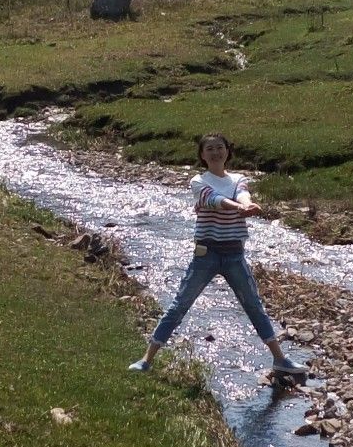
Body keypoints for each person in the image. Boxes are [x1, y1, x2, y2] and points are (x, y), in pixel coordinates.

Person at [130, 134, 303, 376]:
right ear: (202, 155)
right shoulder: (198, 181)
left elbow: (243, 193)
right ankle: (146, 359)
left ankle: (280, 359)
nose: (215, 153)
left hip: (234, 253)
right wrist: (240, 208)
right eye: (209, 149)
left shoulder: (238, 179)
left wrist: (247, 203)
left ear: (227, 152)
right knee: (180, 305)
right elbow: (214, 200)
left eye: (219, 148)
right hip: (206, 253)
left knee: (254, 305)